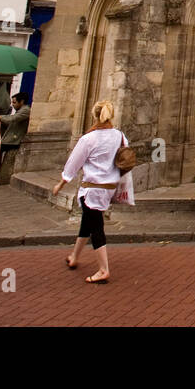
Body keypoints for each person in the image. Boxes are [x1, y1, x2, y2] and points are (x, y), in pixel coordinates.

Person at [53, 100, 129, 284]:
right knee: (87, 223)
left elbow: (73, 164)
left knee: (96, 228)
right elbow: (125, 159)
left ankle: (103, 270)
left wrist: (60, 184)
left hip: (93, 189)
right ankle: (74, 256)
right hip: (109, 188)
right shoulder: (120, 136)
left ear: (94, 116)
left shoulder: (88, 139)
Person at [0, 93, 31, 168]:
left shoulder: (25, 110)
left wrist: (1, 117)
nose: (12, 105)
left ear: (22, 102)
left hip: (14, 141)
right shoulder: (21, 110)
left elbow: (13, 118)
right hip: (10, 140)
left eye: (14, 102)